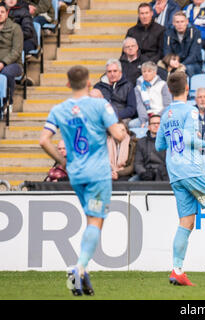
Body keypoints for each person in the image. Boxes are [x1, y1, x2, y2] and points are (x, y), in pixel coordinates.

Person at [39, 65, 125, 296]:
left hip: (76, 174)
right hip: (98, 173)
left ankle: (83, 270)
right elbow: (118, 135)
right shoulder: (100, 105)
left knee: (92, 220)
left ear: (68, 84)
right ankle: (78, 267)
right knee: (96, 221)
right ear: (89, 84)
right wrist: (120, 130)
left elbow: (44, 140)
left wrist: (62, 161)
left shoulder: (59, 109)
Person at [155, 71, 205, 286]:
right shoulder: (191, 111)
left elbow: (159, 146)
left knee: (186, 222)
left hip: (174, 172)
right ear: (187, 89)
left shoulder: (165, 114)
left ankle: (177, 270)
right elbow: (188, 137)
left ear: (169, 91)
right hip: (191, 169)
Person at [93, 59, 138, 125]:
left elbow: (131, 109)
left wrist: (115, 116)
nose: (112, 74)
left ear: (120, 72)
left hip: (122, 118)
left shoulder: (128, 85)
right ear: (106, 73)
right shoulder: (98, 86)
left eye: (115, 71)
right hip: (103, 118)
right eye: (109, 71)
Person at [163, 11, 203, 77]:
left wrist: (181, 65)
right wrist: (171, 61)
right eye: (177, 22)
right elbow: (167, 51)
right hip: (175, 62)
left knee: (188, 68)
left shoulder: (195, 32)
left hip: (193, 64)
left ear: (187, 22)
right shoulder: (168, 33)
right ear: (173, 23)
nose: (180, 24)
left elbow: (193, 55)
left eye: (182, 21)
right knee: (160, 66)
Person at [133, 61, 172, 128]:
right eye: (144, 71)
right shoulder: (138, 88)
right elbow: (140, 106)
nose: (146, 74)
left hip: (162, 115)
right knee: (132, 124)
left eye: (149, 71)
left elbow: (168, 105)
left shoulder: (163, 84)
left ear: (155, 72)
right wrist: (143, 120)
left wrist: (156, 117)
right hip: (146, 117)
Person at [132, 114, 169, 181]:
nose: (156, 125)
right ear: (149, 127)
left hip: (164, 174)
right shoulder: (141, 142)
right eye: (153, 123)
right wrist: (143, 172)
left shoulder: (169, 141)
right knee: (131, 182)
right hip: (146, 172)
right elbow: (138, 163)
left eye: (159, 123)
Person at [0, 3, 23, 103]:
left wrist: (3, 63)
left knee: (6, 73)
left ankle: (7, 101)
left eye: (2, 12)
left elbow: (16, 51)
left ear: (7, 13)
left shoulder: (15, 28)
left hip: (13, 64)